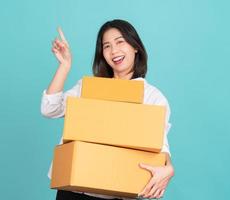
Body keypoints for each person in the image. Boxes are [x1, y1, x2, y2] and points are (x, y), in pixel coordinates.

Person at [41, 19, 174, 200]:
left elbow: (160, 146)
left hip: (117, 194)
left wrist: (168, 166)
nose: (114, 51)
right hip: (73, 191)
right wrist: (64, 66)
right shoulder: (88, 88)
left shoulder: (153, 98)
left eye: (120, 42)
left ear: (135, 47)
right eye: (106, 46)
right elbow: (50, 109)